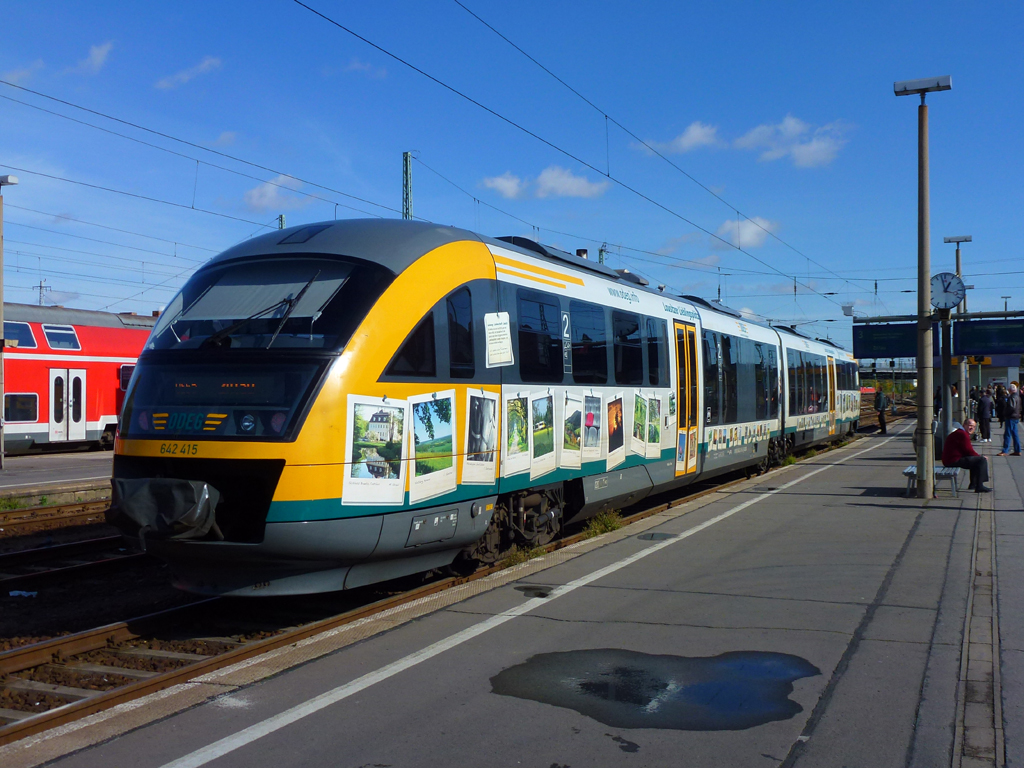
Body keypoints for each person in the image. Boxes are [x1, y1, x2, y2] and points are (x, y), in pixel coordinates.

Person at [942, 419, 990, 492]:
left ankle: (973, 484)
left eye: (974, 427)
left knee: (975, 460)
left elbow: (967, 451)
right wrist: (981, 457)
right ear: (964, 425)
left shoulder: (960, 433)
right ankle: (979, 486)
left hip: (950, 459)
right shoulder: (962, 434)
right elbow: (968, 450)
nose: (972, 428)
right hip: (952, 460)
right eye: (970, 425)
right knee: (981, 460)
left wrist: (977, 456)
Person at [998, 383, 1022, 456]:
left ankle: (1005, 450)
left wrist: (1005, 413)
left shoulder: (1012, 397)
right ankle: (1017, 450)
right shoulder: (1018, 397)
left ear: (1011, 390)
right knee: (1015, 434)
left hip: (1011, 417)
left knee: (1007, 434)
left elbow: (1011, 407)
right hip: (1016, 416)